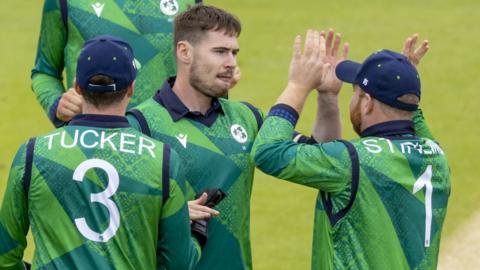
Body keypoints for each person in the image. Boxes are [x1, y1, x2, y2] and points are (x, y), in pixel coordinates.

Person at [0, 36, 204, 269]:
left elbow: (4, 257)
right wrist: (197, 234)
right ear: (131, 88)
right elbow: (178, 264)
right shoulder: (164, 160)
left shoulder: (33, 154)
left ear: (77, 87)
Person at [252, 30, 451, 269]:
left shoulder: (354, 160)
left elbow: (268, 153)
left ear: (367, 103)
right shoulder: (437, 156)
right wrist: (329, 97)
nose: (353, 99)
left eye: (355, 92)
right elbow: (412, 113)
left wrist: (298, 86)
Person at [32, 0, 204, 128]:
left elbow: (199, 67)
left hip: (171, 136)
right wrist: (57, 105)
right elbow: (44, 72)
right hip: (95, 138)